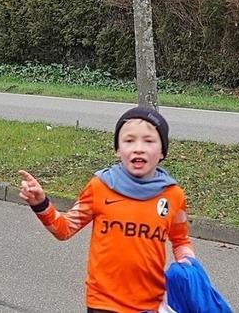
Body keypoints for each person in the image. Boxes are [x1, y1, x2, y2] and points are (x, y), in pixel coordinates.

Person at [19, 107, 195, 313]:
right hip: (103, 303)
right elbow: (63, 229)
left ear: (163, 151)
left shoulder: (174, 195)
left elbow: (181, 241)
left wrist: (190, 269)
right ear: (118, 150)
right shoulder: (99, 186)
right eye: (129, 141)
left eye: (149, 141)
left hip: (151, 305)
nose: (138, 148)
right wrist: (40, 203)